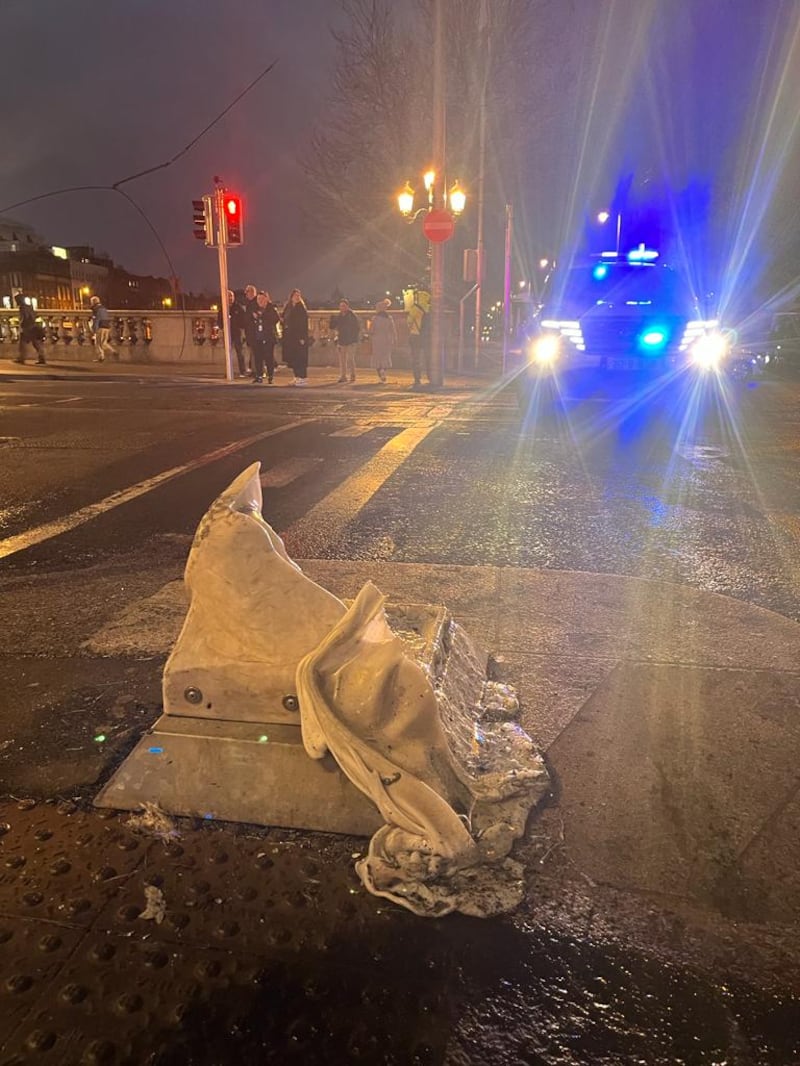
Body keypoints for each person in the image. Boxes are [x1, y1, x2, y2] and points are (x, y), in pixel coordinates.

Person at [250, 290, 281, 384]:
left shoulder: (271, 309)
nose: (260, 301)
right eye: (258, 299)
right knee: (258, 357)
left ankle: (270, 376)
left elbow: (276, 319)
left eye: (262, 299)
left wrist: (262, 317)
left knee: (269, 357)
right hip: (257, 337)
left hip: (268, 337)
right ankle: (259, 375)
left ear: (266, 299)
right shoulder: (254, 308)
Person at [281, 288, 310, 386]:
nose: (297, 297)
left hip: (299, 337)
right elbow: (283, 317)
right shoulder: (288, 307)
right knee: (293, 358)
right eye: (295, 296)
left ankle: (303, 378)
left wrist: (302, 337)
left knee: (300, 358)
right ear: (291, 297)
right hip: (290, 337)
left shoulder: (301, 308)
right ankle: (297, 376)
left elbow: (303, 324)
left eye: (298, 296)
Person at [329, 299, 360, 383]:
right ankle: (343, 376)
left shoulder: (352, 316)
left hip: (351, 340)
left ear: (347, 306)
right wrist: (332, 320)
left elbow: (357, 328)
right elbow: (332, 326)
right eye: (341, 306)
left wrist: (354, 339)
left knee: (350, 358)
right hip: (342, 340)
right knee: (342, 359)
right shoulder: (339, 316)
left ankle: (352, 375)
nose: (342, 307)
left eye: (344, 306)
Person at [13, 293, 46, 365]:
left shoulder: (22, 308)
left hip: (27, 328)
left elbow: (25, 317)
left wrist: (22, 324)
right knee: (36, 343)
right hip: (33, 327)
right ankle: (41, 357)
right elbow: (34, 315)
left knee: (22, 344)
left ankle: (21, 358)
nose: (16, 302)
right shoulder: (29, 306)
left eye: (17, 300)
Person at [369, 299, 396, 383]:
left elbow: (371, 330)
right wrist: (394, 338)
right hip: (387, 339)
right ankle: (383, 371)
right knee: (386, 357)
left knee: (377, 358)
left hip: (377, 339)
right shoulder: (389, 318)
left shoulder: (375, 318)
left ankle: (380, 374)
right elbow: (393, 329)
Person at [225, 290, 249, 377]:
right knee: (227, 353)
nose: (230, 298)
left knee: (240, 352)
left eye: (231, 296)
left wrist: (240, 327)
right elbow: (220, 319)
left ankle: (243, 371)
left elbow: (244, 319)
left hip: (237, 333)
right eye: (228, 296)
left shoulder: (238, 307)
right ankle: (228, 370)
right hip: (227, 332)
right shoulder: (224, 308)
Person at [407, 295, 428, 388]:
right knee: (428, 357)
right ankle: (431, 376)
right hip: (426, 337)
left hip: (415, 335)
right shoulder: (429, 308)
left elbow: (409, 321)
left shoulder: (415, 308)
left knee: (416, 358)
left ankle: (417, 378)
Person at [89, 296, 117, 362]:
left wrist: (95, 329)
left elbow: (96, 319)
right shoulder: (103, 308)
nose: (91, 303)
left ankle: (101, 357)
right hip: (106, 327)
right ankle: (113, 351)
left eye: (91, 302)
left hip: (100, 327)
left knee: (97, 343)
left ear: (93, 302)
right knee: (104, 343)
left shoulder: (95, 309)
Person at [242, 284, 258, 374]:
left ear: (251, 292)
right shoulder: (250, 303)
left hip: (254, 332)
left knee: (255, 352)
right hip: (251, 331)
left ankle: (256, 371)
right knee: (253, 352)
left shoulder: (255, 303)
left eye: (247, 292)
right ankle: (254, 370)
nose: (246, 294)